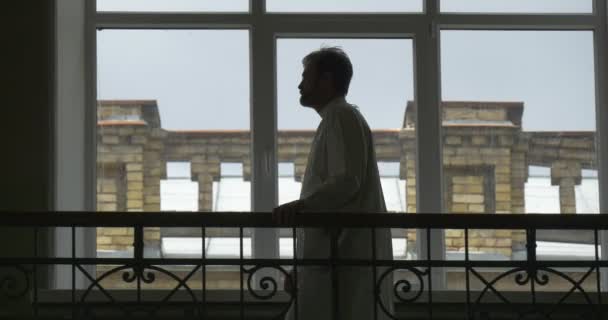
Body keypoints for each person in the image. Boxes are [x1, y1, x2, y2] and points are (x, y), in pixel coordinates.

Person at [272, 47, 394, 320]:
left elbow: (346, 182)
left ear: (326, 80)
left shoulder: (341, 116)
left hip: (342, 260)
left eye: (306, 76)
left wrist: (300, 206)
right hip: (334, 259)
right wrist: (301, 267)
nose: (300, 84)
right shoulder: (338, 117)